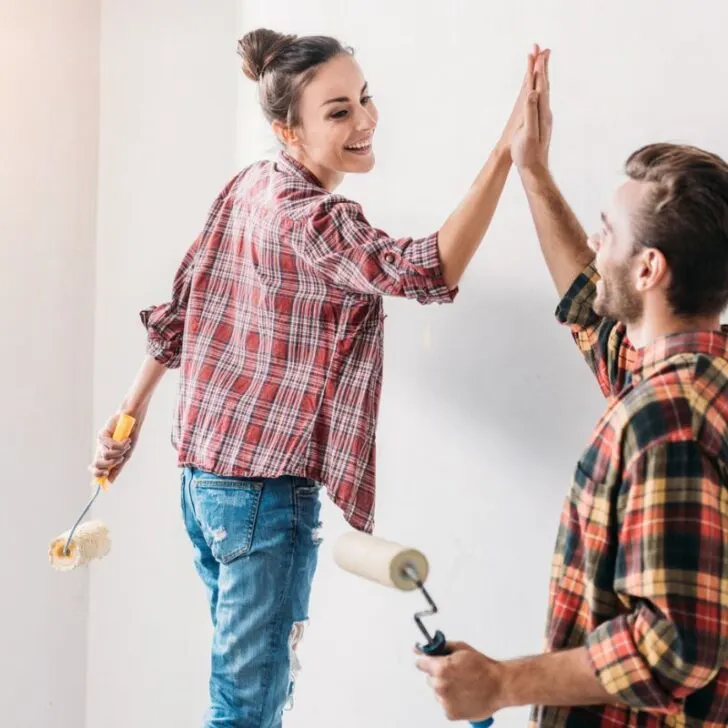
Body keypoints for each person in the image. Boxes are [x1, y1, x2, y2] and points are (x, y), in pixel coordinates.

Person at [90, 27, 545, 728]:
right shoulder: (315, 218)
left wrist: (126, 417)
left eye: (363, 98)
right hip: (260, 500)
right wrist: (507, 157)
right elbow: (428, 269)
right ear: (288, 130)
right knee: (247, 709)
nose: (364, 120)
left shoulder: (250, 184)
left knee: (248, 692)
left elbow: (180, 311)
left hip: (203, 481)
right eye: (337, 112)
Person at [416, 48, 728, 727]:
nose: (595, 238)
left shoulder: (664, 420)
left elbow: (673, 648)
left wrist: (501, 683)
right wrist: (531, 171)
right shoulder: (696, 376)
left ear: (649, 269)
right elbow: (594, 309)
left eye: (608, 231)